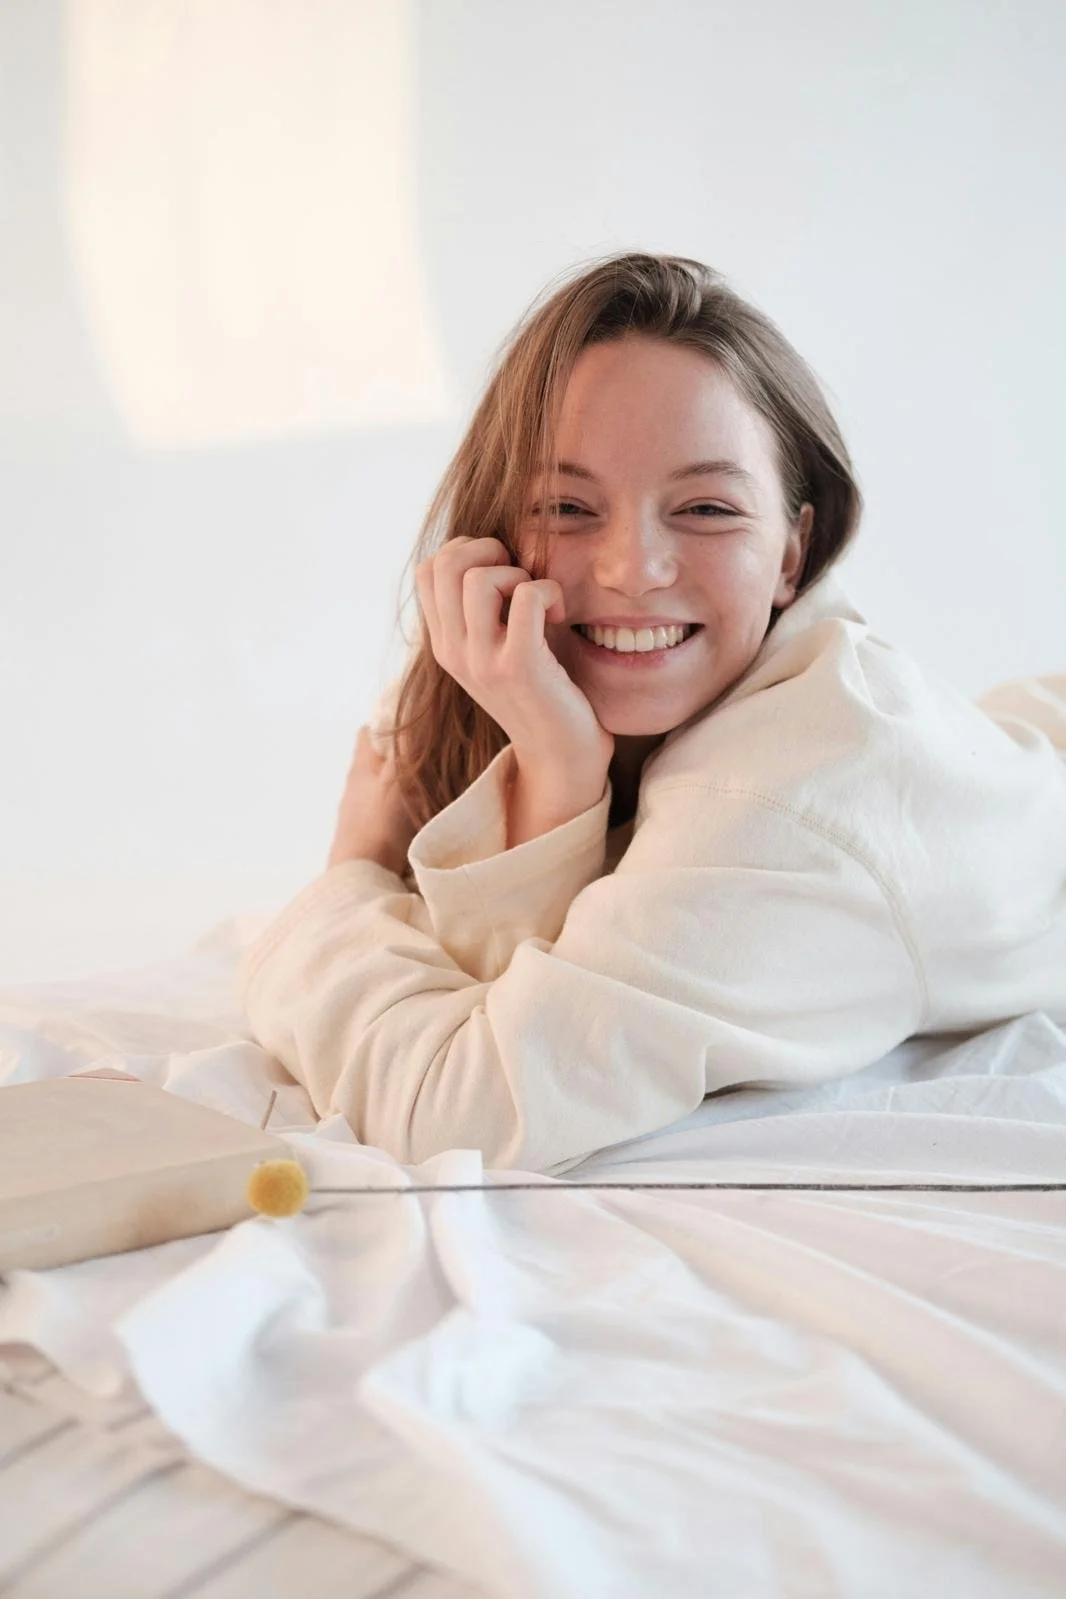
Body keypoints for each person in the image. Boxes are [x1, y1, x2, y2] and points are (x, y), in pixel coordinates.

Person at [236, 253, 1066, 1173]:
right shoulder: (529, 677)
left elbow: (458, 1108)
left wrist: (347, 882)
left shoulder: (789, 808)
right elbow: (500, 990)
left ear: (795, 553)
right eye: (567, 505)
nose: (633, 570)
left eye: (707, 507)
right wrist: (555, 770)